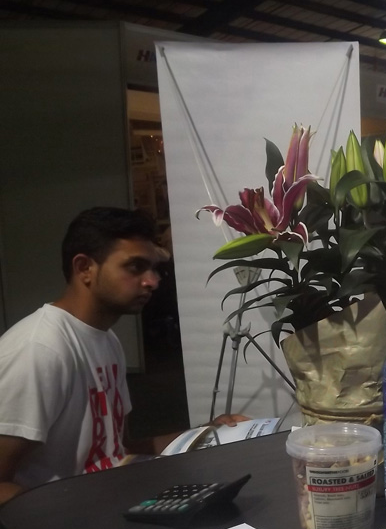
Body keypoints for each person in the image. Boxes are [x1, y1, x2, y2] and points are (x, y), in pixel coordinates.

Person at [0, 207, 245, 506]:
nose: (153, 281)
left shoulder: (107, 339)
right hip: (68, 522)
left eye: (154, 269)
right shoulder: (39, 350)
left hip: (109, 502)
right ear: (84, 268)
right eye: (135, 267)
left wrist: (207, 433)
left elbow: (119, 450)